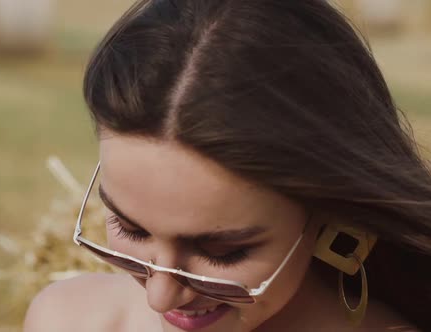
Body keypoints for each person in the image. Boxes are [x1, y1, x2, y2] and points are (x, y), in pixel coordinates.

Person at [24, 0, 431, 331]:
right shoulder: (66, 320)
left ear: (328, 211)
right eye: (129, 227)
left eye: (222, 252)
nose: (160, 297)